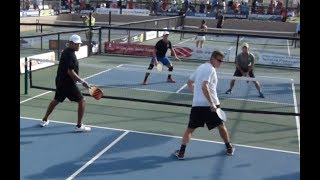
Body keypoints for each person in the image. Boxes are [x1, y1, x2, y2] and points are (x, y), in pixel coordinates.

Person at [174, 50, 235, 160]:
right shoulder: (210, 69)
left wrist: (196, 95)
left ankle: (181, 153)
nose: (221, 63)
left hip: (197, 105)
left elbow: (189, 82)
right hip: (212, 105)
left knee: (190, 129)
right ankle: (229, 148)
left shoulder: (201, 67)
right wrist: (211, 103)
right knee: (221, 126)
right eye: (219, 60)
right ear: (212, 59)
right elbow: (204, 86)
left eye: (222, 61)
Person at [40, 34, 92, 132]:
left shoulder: (66, 51)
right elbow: (70, 72)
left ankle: (44, 119)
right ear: (71, 44)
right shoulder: (70, 55)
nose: (78, 46)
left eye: (79, 44)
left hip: (60, 81)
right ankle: (79, 126)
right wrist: (82, 81)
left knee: (56, 100)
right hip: (67, 83)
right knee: (82, 101)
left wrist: (77, 79)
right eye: (77, 44)